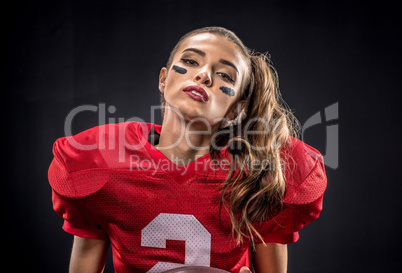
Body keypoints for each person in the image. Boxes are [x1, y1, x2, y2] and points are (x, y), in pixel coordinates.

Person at [48, 26, 327, 273]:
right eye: (191, 61)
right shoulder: (102, 161)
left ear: (237, 110)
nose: (204, 75)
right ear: (163, 79)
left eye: (225, 77)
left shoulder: (259, 172)